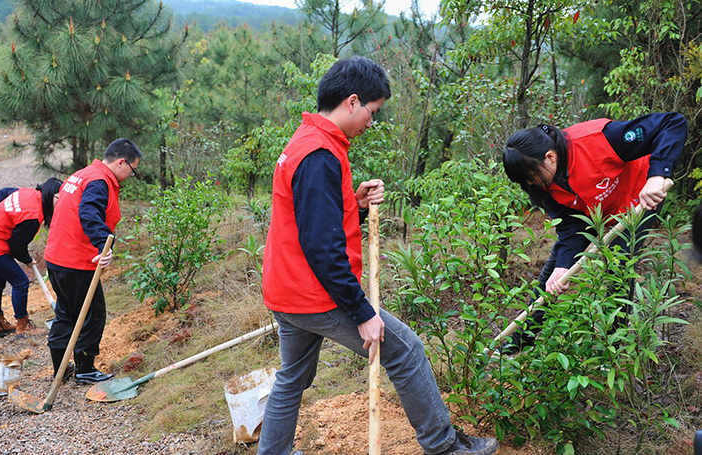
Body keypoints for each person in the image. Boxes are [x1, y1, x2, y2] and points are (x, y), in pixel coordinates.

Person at [258, 57, 498, 455]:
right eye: (373, 112)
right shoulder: (319, 154)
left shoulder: (306, 141)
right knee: (406, 352)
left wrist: (356, 205)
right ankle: (444, 447)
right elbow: (323, 248)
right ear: (352, 102)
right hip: (314, 293)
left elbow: (313, 218)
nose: (372, 122)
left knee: (293, 375)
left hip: (286, 289)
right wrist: (363, 314)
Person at [502, 112, 687, 353]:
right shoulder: (546, 184)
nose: (532, 184)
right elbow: (570, 226)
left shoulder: (599, 140)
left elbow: (672, 123)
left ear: (550, 157)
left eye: (532, 177)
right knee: (552, 275)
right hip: (596, 211)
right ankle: (517, 345)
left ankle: (610, 351)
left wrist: (657, 175)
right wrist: (563, 265)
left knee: (618, 263)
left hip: (641, 197)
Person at [43, 139, 141, 384]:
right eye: (132, 169)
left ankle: (61, 367)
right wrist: (102, 243)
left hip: (56, 259)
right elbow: (88, 212)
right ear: (121, 162)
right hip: (75, 261)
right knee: (92, 314)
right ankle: (84, 368)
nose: (131, 175)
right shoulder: (98, 181)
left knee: (65, 313)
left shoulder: (83, 174)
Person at [0, 177, 63, 338]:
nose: (61, 203)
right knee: (20, 282)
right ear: (49, 194)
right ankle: (23, 325)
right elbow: (17, 246)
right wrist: (27, 259)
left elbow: (2, 193)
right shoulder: (32, 216)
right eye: (59, 199)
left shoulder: (29, 193)